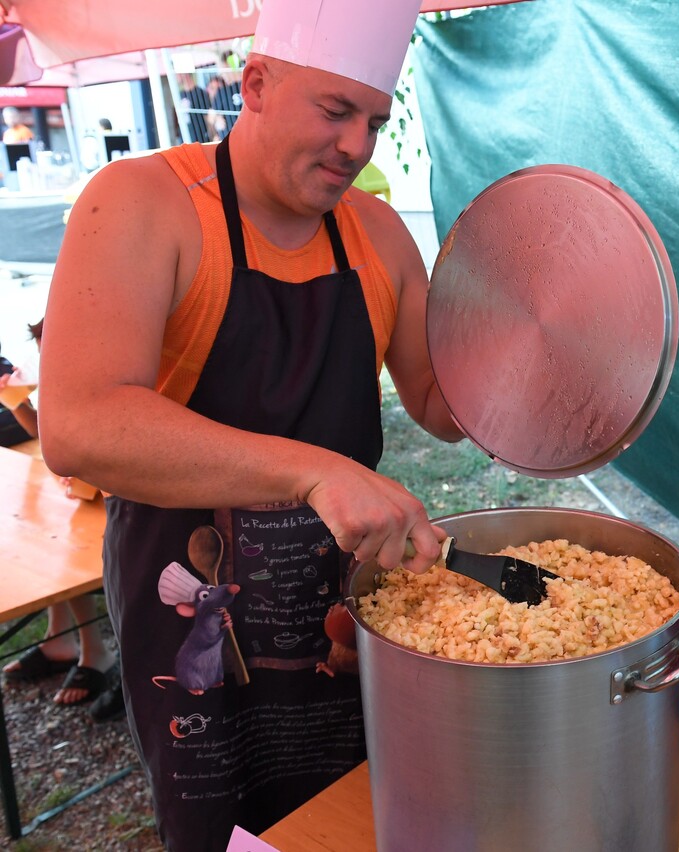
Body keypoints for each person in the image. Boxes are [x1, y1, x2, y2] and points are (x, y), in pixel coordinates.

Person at [36, 0, 460, 846]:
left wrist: (549, 344)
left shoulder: (378, 234)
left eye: (375, 120)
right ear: (255, 84)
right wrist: (313, 470)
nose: (358, 147)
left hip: (345, 615)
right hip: (193, 617)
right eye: (335, 112)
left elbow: (443, 408)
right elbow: (79, 426)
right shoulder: (142, 203)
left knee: (362, 819)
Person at [0, 320, 122, 721]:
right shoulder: (65, 378)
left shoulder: (111, 380)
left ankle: (123, 670)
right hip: (97, 500)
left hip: (135, 510)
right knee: (54, 532)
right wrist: (18, 402)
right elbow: (53, 438)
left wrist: (90, 473)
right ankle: (68, 641)